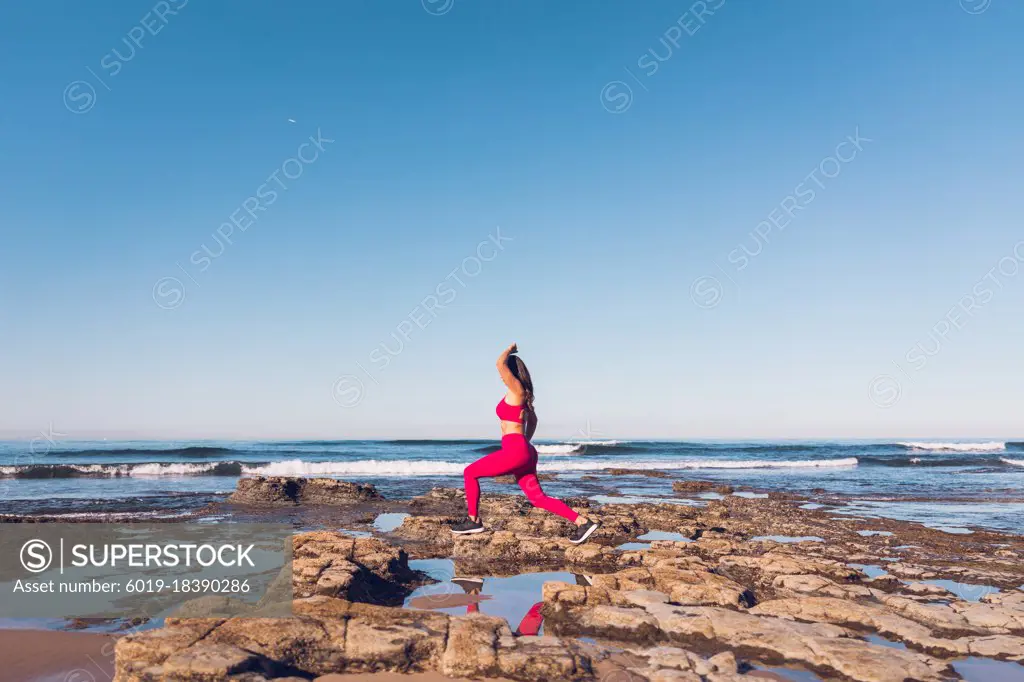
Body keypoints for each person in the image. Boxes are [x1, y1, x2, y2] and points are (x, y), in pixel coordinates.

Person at [451, 343, 600, 544]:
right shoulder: (521, 395)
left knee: (470, 473)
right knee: (537, 498)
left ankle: (473, 521)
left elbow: (499, 364)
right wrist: (524, 443)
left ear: (512, 372)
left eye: (505, 373)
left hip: (515, 450)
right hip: (523, 450)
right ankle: (583, 522)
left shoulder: (517, 390)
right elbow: (534, 421)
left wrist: (508, 350)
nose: (501, 377)